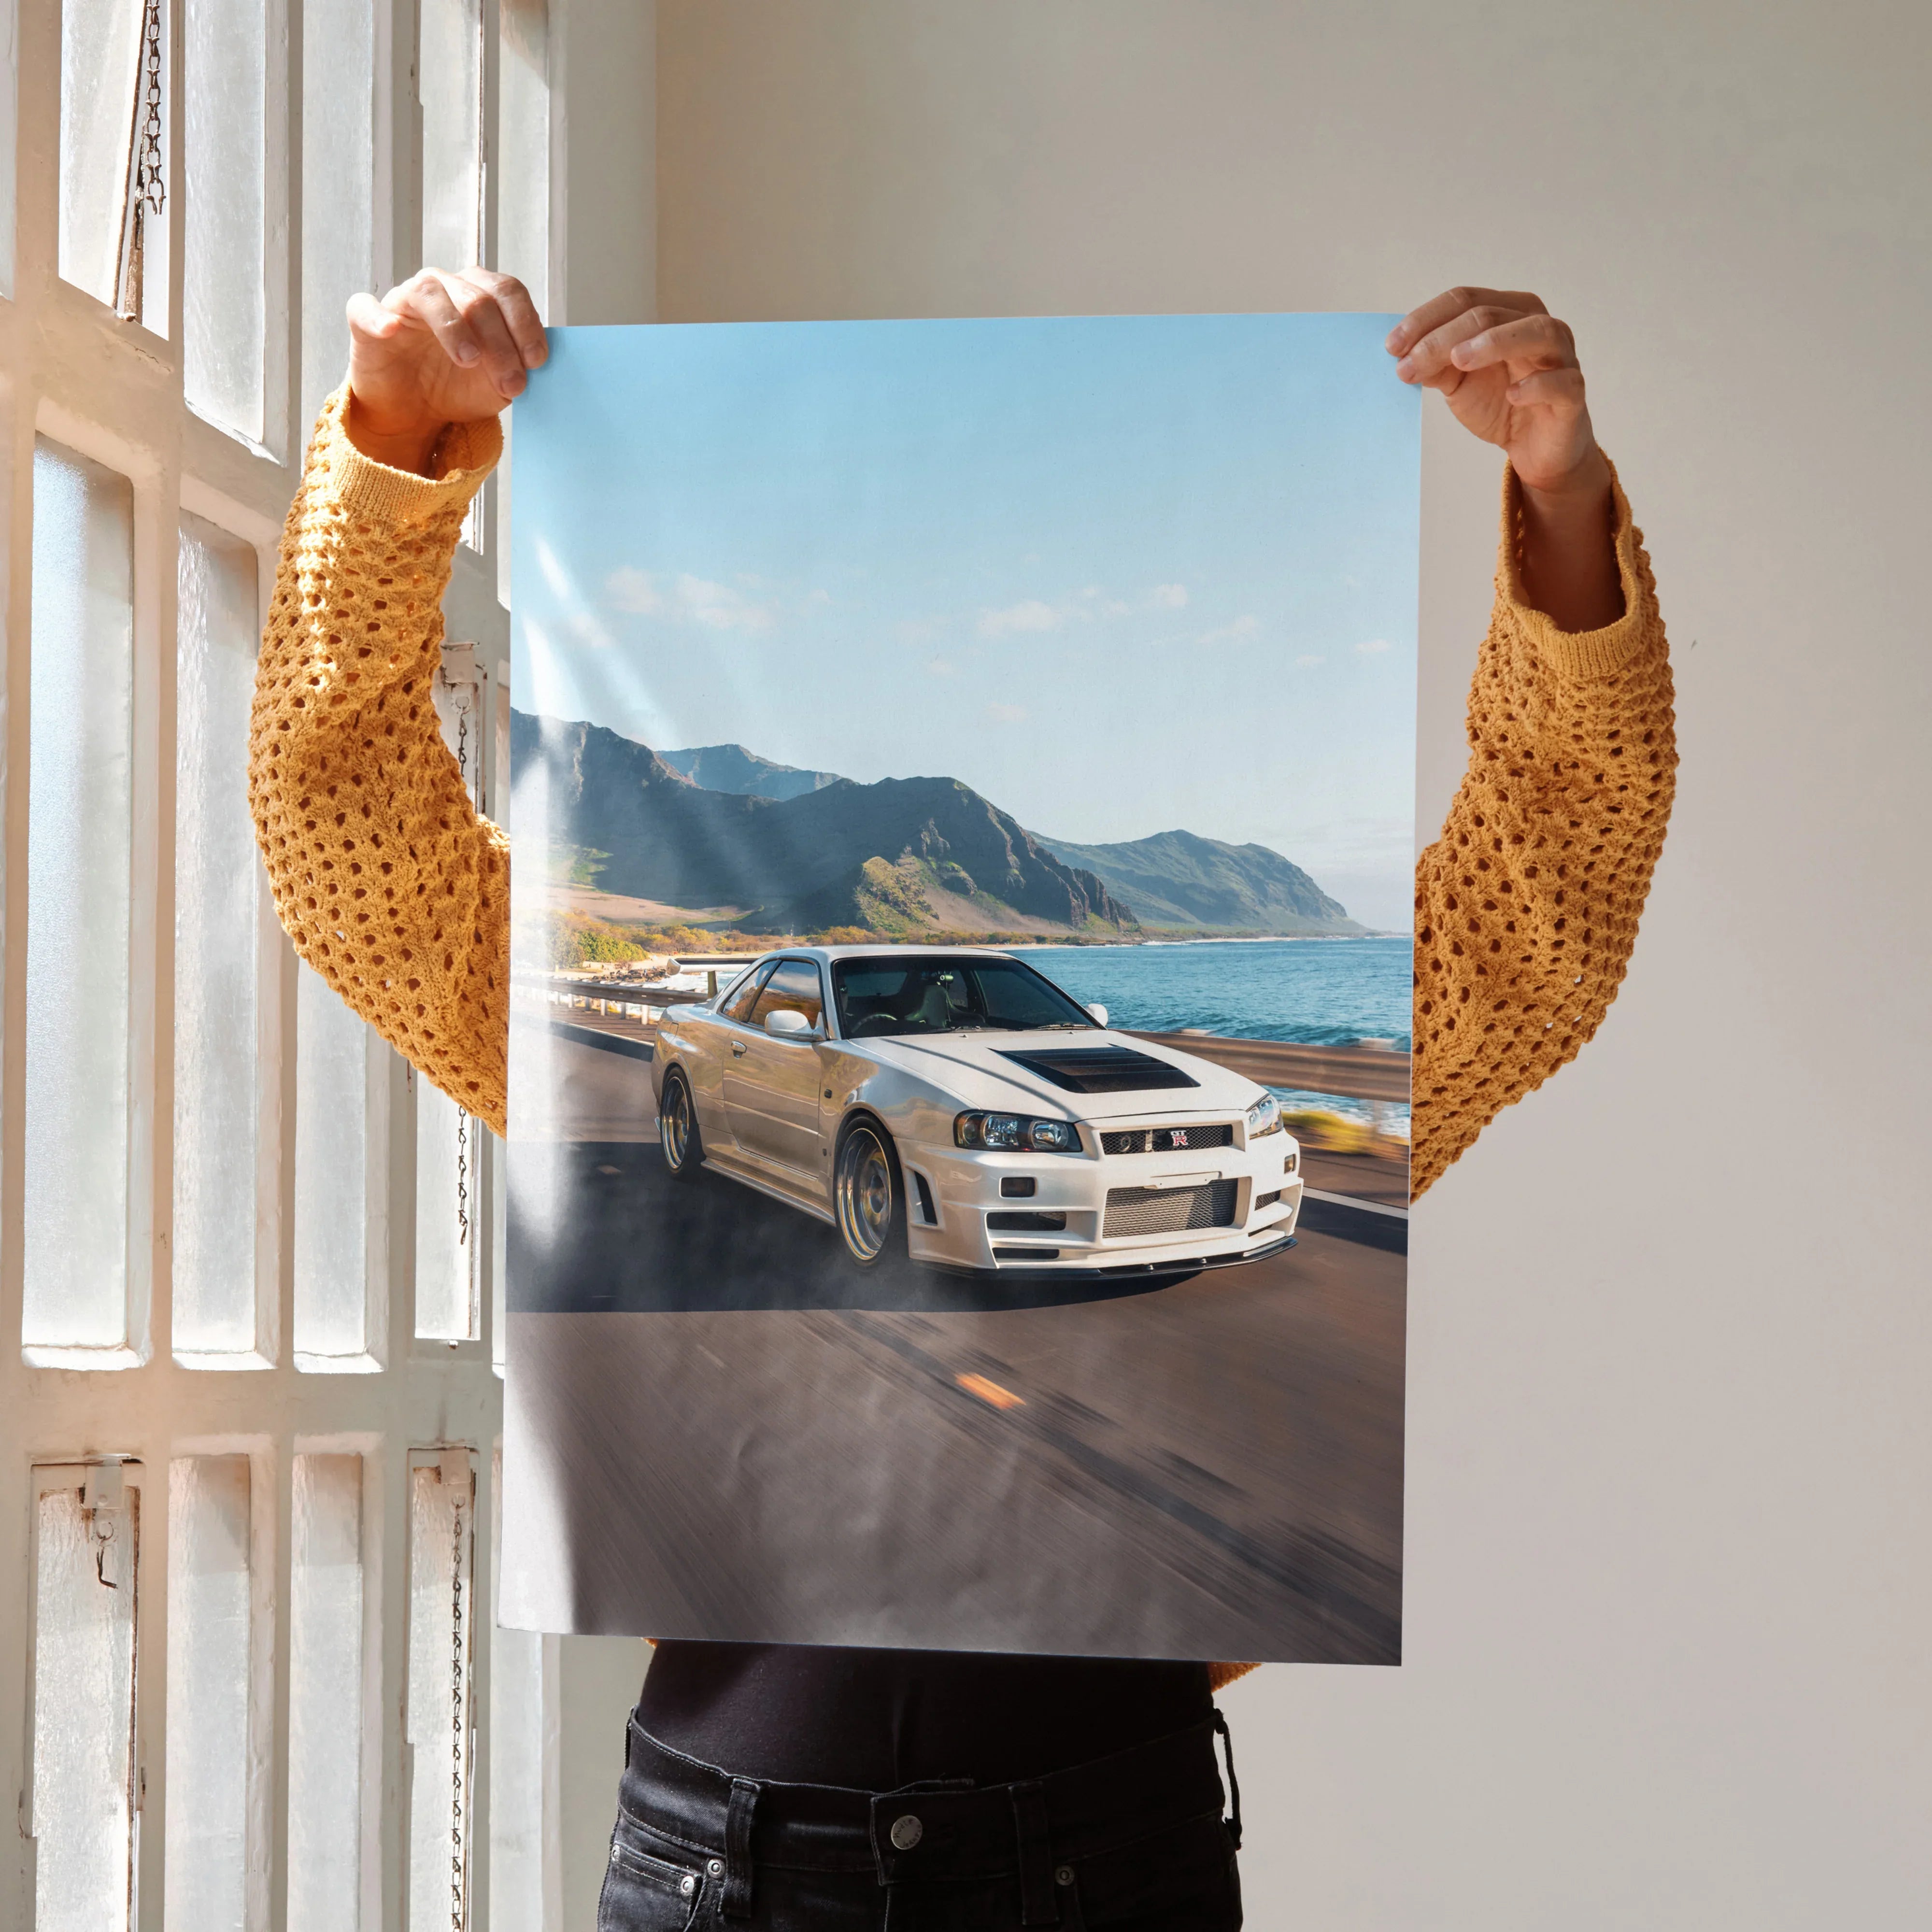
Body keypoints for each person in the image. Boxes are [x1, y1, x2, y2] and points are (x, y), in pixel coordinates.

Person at [250, 272, 1675, 1928]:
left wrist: (1561, 497)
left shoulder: (1142, 1074)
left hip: (1108, 1850)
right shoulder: (622, 1039)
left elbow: (1538, 921)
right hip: (734, 1866)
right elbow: (344, 837)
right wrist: (392, 443)